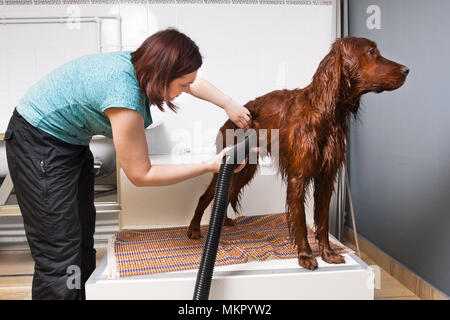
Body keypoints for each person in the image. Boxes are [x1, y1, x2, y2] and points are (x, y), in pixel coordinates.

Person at [4, 28, 251, 300]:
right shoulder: (124, 94)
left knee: (81, 240)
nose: (185, 91)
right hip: (37, 142)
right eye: (182, 86)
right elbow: (141, 174)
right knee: (61, 253)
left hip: (68, 144)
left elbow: (192, 81)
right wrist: (208, 165)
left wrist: (228, 103)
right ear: (163, 76)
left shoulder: (144, 65)